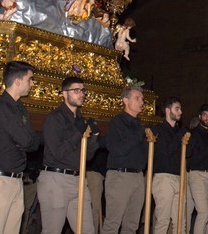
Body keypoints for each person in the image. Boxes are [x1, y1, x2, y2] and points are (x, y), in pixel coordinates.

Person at [0, 61, 40, 234]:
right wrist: (26, 141)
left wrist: (25, 140)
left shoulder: (20, 108)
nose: (32, 84)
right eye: (30, 79)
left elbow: (33, 143)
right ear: (18, 81)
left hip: (16, 180)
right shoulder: (0, 106)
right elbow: (27, 141)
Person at [36, 76, 100, 234]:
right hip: (56, 180)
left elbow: (88, 157)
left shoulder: (80, 119)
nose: (81, 94)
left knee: (87, 230)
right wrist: (77, 133)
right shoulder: (55, 118)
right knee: (52, 230)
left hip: (78, 179)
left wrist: (95, 136)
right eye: (76, 90)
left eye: (83, 90)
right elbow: (57, 152)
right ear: (64, 94)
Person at [100, 85, 148, 234]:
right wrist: (139, 134)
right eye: (137, 98)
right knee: (113, 223)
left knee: (132, 225)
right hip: (120, 176)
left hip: (138, 177)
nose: (141, 102)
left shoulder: (139, 124)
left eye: (142, 99)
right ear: (125, 100)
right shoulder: (117, 122)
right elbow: (117, 149)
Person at [150, 97, 186, 234]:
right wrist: (179, 138)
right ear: (167, 110)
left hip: (178, 177)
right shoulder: (158, 130)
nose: (181, 112)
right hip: (163, 178)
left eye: (180, 109)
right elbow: (166, 152)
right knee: (163, 221)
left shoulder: (179, 131)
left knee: (180, 221)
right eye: (177, 108)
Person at [187, 104, 208, 234]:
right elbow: (188, 154)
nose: (207, 118)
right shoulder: (192, 134)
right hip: (197, 175)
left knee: (207, 214)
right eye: (205, 115)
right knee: (203, 213)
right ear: (200, 117)